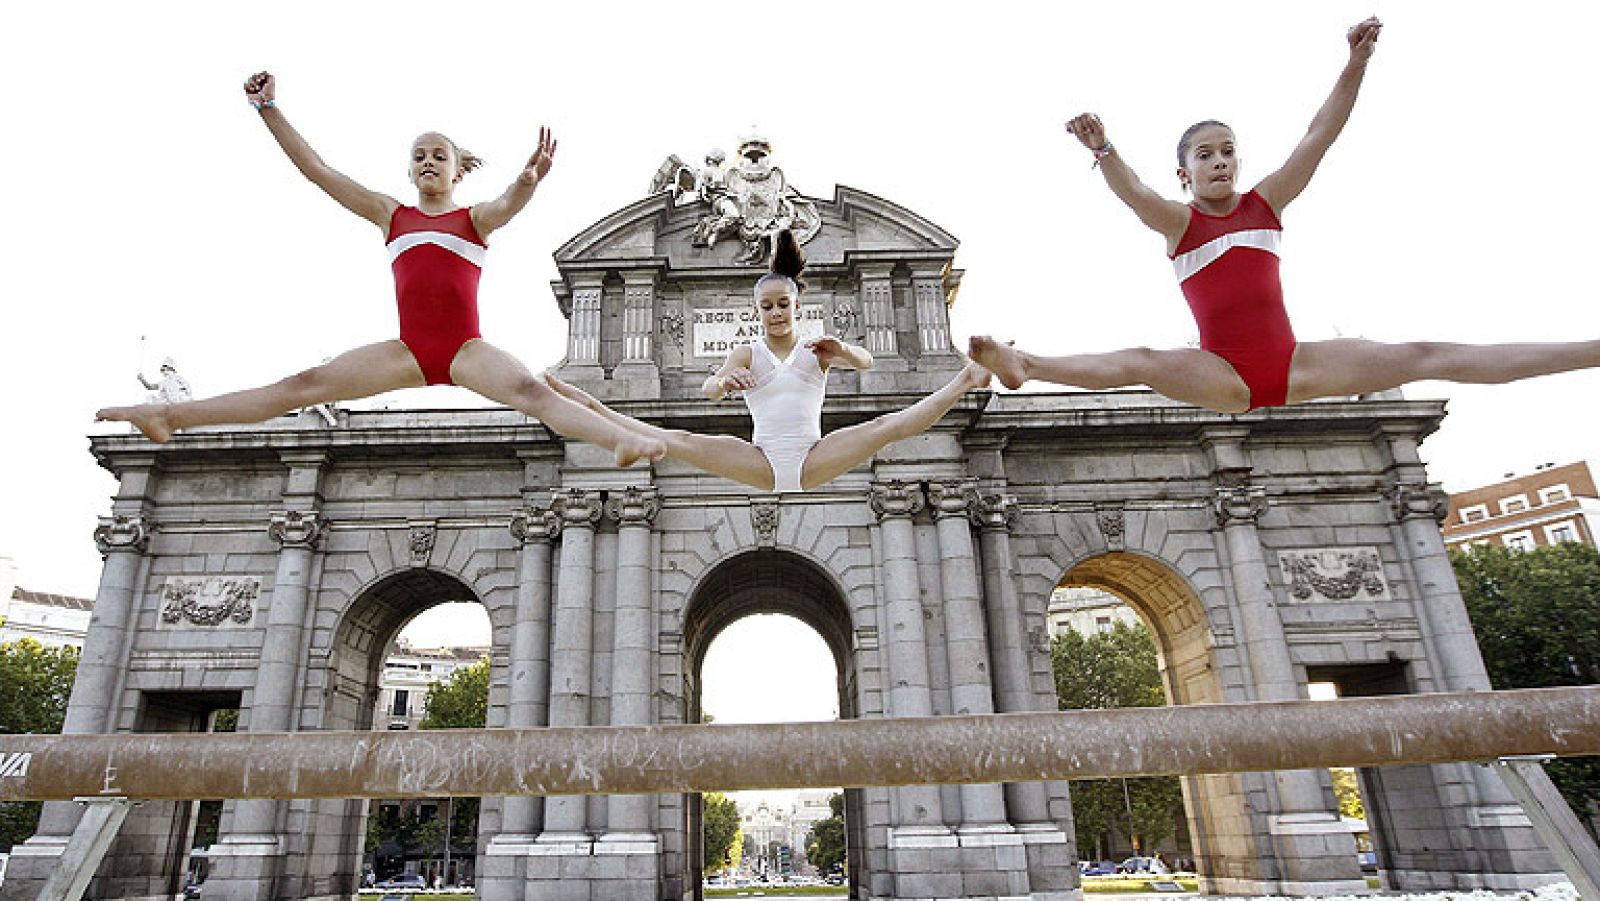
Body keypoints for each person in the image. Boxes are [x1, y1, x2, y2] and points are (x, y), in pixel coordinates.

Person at [970, 18, 1600, 413]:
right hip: (1222, 373)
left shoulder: (1266, 203)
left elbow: (1317, 136)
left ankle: (1591, 351)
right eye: (1205, 155)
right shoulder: (1179, 223)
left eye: (1228, 151)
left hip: (1298, 364)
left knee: (1428, 352)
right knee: (1141, 359)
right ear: (1185, 174)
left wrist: (1353, 65)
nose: (1221, 162)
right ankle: (1030, 364)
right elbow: (1132, 190)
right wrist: (1103, 150)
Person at [96, 72, 664, 467]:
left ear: (456, 170)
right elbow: (318, 170)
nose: (428, 162)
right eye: (418, 155)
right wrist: (269, 109)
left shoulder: (473, 219)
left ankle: (618, 440)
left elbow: (510, 205)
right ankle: (170, 416)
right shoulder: (390, 215)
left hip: (465, 348)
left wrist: (528, 179)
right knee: (300, 385)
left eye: (439, 155)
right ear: (408, 168)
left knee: (531, 391)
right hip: (407, 350)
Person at [547, 229, 991, 492]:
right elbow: (710, 388)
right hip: (760, 460)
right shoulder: (748, 351)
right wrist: (725, 383)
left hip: (813, 456)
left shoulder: (816, 347)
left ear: (797, 305)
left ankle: (967, 379)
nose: (776, 312)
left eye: (783, 304)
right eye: (767, 306)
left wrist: (842, 351)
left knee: (884, 427)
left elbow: (867, 363)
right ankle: (584, 404)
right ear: (756, 310)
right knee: (675, 438)